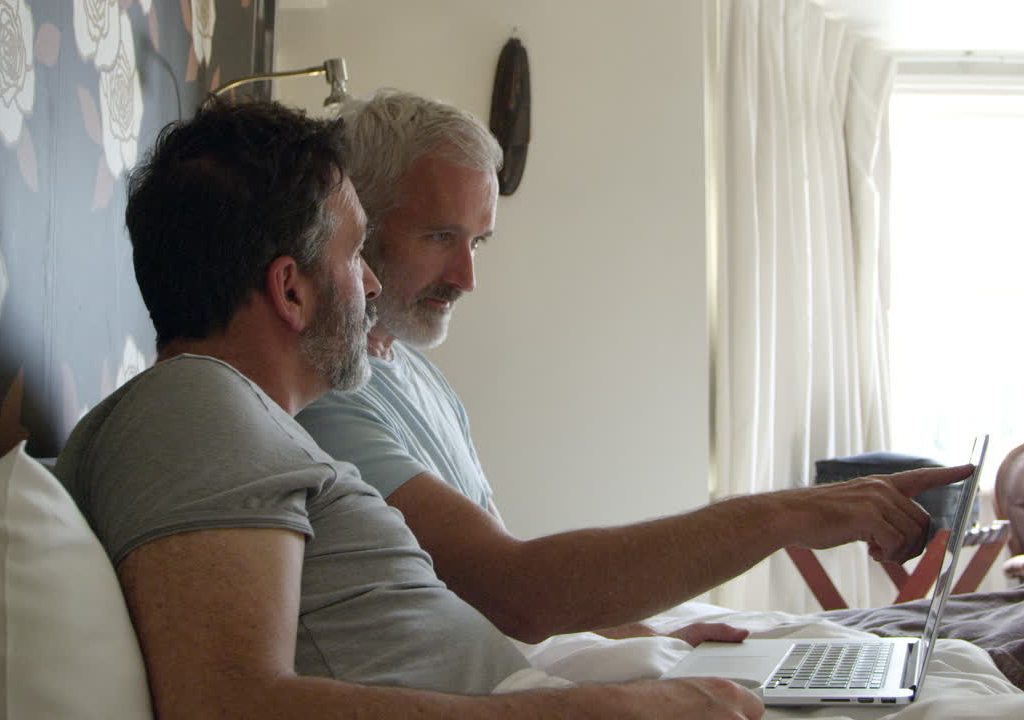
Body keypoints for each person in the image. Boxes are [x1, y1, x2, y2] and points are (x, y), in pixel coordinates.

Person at [55, 98, 764, 719]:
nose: (369, 283)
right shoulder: (194, 408)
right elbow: (227, 705)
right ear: (291, 291)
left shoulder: (243, 424)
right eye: (357, 251)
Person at [295, 89, 971, 645]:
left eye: (478, 242)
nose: (468, 277)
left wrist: (655, 639)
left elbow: (510, 585)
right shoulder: (325, 397)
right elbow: (516, 592)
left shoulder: (413, 372)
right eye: (441, 237)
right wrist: (784, 516)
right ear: (357, 222)